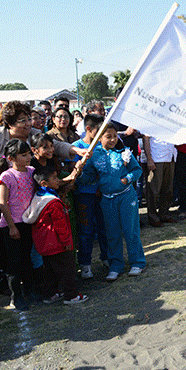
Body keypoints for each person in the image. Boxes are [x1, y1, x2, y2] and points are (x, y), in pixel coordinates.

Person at [0, 101, 87, 296]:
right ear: (9, 123)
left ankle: (33, 284)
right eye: (21, 120)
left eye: (28, 119)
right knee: (3, 247)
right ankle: (8, 287)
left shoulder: (33, 134)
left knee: (28, 245)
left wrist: (76, 151)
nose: (27, 124)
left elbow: (56, 145)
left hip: (26, 201)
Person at [80, 123, 145, 281]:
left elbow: (137, 170)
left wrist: (127, 179)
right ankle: (116, 265)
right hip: (107, 200)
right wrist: (79, 170)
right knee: (112, 234)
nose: (113, 139)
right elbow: (88, 177)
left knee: (131, 231)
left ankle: (137, 262)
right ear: (100, 138)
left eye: (115, 136)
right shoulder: (94, 155)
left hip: (126, 197)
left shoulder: (124, 152)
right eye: (108, 136)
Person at [23, 166, 88, 305]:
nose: (58, 181)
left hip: (45, 244)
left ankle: (50, 294)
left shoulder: (38, 198)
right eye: (54, 178)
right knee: (67, 270)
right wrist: (67, 242)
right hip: (58, 244)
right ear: (44, 184)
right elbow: (61, 226)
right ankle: (71, 296)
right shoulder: (53, 203)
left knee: (50, 271)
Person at [0, 139, 36, 311]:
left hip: (27, 222)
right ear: (11, 158)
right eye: (23, 155)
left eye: (28, 154)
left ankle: (30, 291)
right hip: (13, 225)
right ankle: (16, 296)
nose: (28, 157)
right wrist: (11, 226)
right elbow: (3, 203)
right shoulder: (7, 176)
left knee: (27, 259)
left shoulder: (32, 171)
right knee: (14, 262)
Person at [72, 114, 109, 278]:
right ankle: (85, 264)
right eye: (98, 130)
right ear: (88, 129)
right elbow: (72, 172)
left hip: (102, 194)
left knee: (104, 228)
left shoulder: (101, 147)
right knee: (86, 231)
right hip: (84, 196)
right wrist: (78, 167)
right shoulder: (76, 147)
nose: (101, 135)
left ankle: (107, 258)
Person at [142, 135, 177, 226]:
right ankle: (153, 216)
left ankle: (164, 214)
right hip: (156, 158)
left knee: (168, 189)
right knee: (154, 190)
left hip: (170, 156)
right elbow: (146, 139)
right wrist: (149, 159)